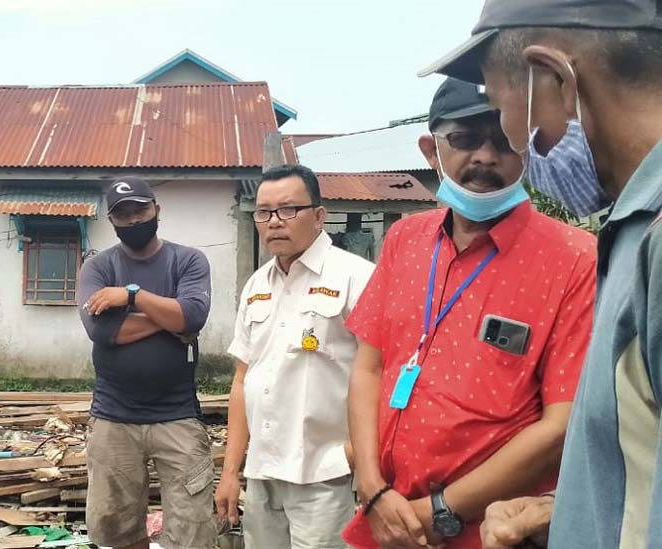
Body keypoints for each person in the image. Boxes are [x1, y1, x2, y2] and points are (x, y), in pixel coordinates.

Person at [419, 1, 662, 546]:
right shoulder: (633, 228)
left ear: (555, 80)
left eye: (499, 105)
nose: (505, 140)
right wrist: (567, 510)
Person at [343, 77, 597, 548]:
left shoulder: (575, 259)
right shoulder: (405, 240)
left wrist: (438, 511)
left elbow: (562, 424)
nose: (484, 156)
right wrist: (372, 487)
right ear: (431, 150)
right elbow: (368, 366)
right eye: (464, 139)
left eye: (504, 140)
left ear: (529, 149)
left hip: (492, 531)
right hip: (385, 517)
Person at [216, 164, 375, 548]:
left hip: (325, 475)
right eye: (263, 212)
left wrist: (354, 456)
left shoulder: (356, 278)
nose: (274, 222)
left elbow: (383, 374)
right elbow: (242, 379)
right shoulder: (257, 285)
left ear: (318, 216)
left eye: (288, 209)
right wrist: (231, 471)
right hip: (263, 473)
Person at [78, 177, 216, 549]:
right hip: (113, 417)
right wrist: (170, 318)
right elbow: (102, 331)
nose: (134, 219)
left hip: (178, 416)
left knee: (192, 532)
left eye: (140, 209)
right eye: (123, 214)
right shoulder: (98, 267)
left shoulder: (187, 260)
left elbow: (193, 315)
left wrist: (131, 297)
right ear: (111, 220)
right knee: (118, 532)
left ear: (157, 209)